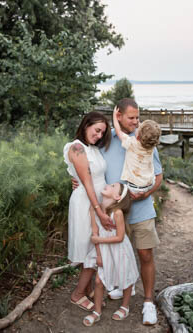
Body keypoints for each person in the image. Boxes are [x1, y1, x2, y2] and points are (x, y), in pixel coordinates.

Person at [102, 98, 162, 326]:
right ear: (118, 116)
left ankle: (148, 303)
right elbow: (90, 165)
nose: (136, 122)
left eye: (138, 117)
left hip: (142, 209)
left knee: (145, 255)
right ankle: (120, 285)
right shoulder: (105, 140)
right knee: (118, 253)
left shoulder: (143, 140)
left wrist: (146, 193)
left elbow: (158, 177)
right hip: (117, 211)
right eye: (132, 118)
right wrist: (76, 180)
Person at [63, 111, 113, 312]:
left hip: (98, 201)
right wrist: (98, 210)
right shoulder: (77, 147)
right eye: (97, 130)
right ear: (86, 125)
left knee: (96, 247)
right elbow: (88, 183)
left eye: (103, 132)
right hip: (87, 203)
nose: (100, 135)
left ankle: (88, 287)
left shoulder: (92, 148)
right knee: (91, 249)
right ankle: (77, 294)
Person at [82, 182, 139, 326]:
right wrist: (99, 255)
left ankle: (125, 306)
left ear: (117, 196)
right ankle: (97, 311)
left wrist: (99, 239)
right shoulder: (95, 209)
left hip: (120, 249)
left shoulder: (117, 213)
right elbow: (95, 232)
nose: (108, 185)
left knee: (125, 276)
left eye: (113, 186)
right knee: (99, 281)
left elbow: (120, 237)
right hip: (104, 250)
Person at [112, 105, 161, 194]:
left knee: (118, 195)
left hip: (135, 188)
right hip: (150, 184)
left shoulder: (132, 143)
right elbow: (147, 132)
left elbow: (118, 131)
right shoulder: (151, 146)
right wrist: (138, 121)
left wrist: (115, 117)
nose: (136, 123)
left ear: (138, 137)